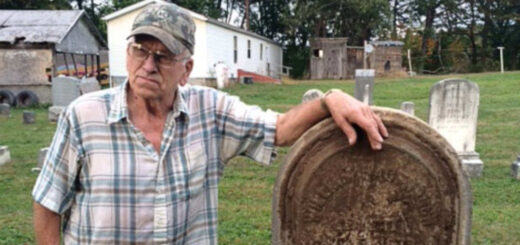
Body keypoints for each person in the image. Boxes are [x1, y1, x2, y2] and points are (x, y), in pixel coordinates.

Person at [32, 2, 387, 244]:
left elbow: (279, 129)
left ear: (186, 70)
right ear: (128, 53)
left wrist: (330, 99)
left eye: (163, 56)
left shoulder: (211, 112)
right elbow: (48, 203)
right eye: (139, 50)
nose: (148, 65)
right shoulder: (83, 116)